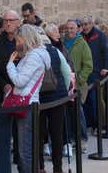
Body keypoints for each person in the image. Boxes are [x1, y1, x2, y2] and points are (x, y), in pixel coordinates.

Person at [6, 24, 50, 173]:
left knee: (25, 150)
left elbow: (19, 81)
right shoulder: (34, 55)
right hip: (28, 104)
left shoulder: (34, 57)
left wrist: (10, 65)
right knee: (26, 148)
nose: (17, 44)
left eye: (19, 41)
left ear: (26, 39)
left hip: (27, 105)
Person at [39, 26, 71, 173]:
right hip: (58, 97)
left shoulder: (34, 54)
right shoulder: (56, 51)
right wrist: (62, 90)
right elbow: (66, 72)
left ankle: (40, 167)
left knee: (39, 134)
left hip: (40, 100)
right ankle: (58, 168)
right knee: (56, 133)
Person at [0, 10, 21, 173]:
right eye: (6, 20)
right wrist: (3, 84)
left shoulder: (23, 40)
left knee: (23, 137)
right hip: (3, 94)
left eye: (12, 20)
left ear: (18, 22)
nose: (8, 23)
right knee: (3, 136)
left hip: (23, 92)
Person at [62, 19, 93, 140]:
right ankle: (71, 138)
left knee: (78, 112)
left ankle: (83, 138)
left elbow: (88, 65)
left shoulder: (82, 44)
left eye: (72, 28)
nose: (69, 31)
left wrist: (79, 79)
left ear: (77, 29)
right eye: (67, 28)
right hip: (66, 84)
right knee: (68, 114)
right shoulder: (62, 42)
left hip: (78, 85)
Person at [80, 15, 108, 133]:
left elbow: (107, 52)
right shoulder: (81, 36)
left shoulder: (100, 35)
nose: (84, 27)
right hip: (86, 73)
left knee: (96, 100)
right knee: (87, 100)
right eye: (83, 25)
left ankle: (101, 124)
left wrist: (106, 67)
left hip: (98, 72)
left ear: (91, 24)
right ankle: (91, 123)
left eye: (86, 24)